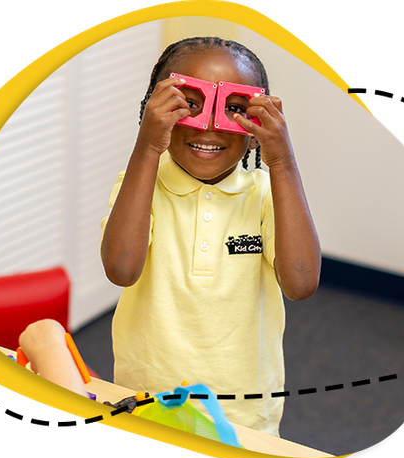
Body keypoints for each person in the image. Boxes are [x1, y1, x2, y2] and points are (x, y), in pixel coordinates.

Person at [100, 37, 321, 436]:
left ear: (254, 128)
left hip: (243, 414)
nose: (211, 125)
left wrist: (282, 161)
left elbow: (301, 282)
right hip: (147, 398)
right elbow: (121, 268)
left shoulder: (268, 195)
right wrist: (148, 147)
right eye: (188, 104)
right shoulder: (138, 186)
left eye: (234, 109)